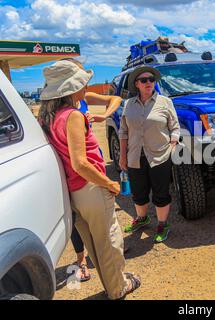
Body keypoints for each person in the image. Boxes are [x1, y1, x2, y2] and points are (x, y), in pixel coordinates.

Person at [38, 60, 140, 299]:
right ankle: (118, 287)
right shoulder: (72, 115)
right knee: (109, 240)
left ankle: (113, 282)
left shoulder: (47, 117)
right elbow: (81, 162)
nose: (86, 88)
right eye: (83, 84)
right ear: (71, 89)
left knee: (93, 242)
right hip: (90, 187)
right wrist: (109, 183)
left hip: (73, 190)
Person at [63, 58, 123, 282]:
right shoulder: (66, 111)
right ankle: (81, 260)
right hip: (79, 172)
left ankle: (105, 255)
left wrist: (104, 116)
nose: (85, 84)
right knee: (80, 219)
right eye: (81, 79)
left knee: (98, 222)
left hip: (93, 165)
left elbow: (115, 98)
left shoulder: (84, 99)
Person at [118, 65, 180, 242]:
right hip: (135, 156)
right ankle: (142, 219)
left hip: (160, 156)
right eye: (144, 80)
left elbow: (174, 127)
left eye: (151, 80)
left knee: (161, 193)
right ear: (136, 84)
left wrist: (173, 143)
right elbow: (123, 132)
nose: (148, 83)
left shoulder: (165, 102)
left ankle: (162, 224)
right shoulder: (129, 104)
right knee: (138, 192)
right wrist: (122, 156)